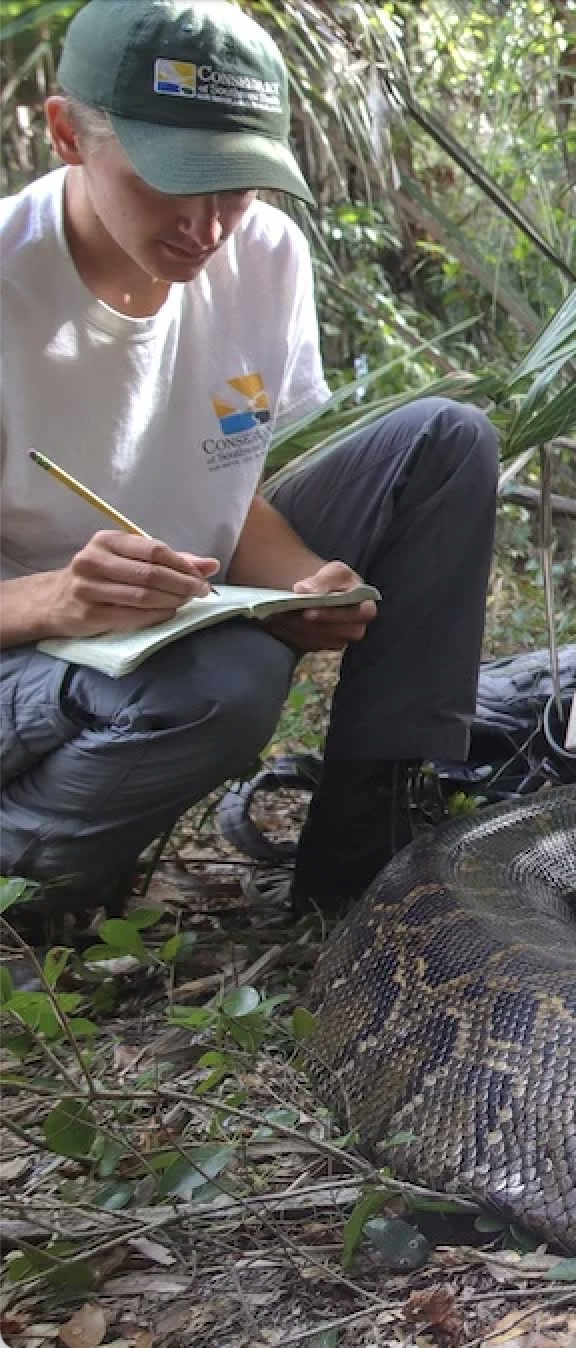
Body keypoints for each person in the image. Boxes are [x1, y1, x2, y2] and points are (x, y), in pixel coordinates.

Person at [0, 0, 499, 923]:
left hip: (164, 611)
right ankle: (33, 876)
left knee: (444, 441)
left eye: (234, 184)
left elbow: (226, 490)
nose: (206, 224)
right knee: (226, 679)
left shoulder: (263, 255)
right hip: (27, 655)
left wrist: (307, 584)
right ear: (69, 134)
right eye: (169, 178)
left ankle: (367, 850)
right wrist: (52, 601)